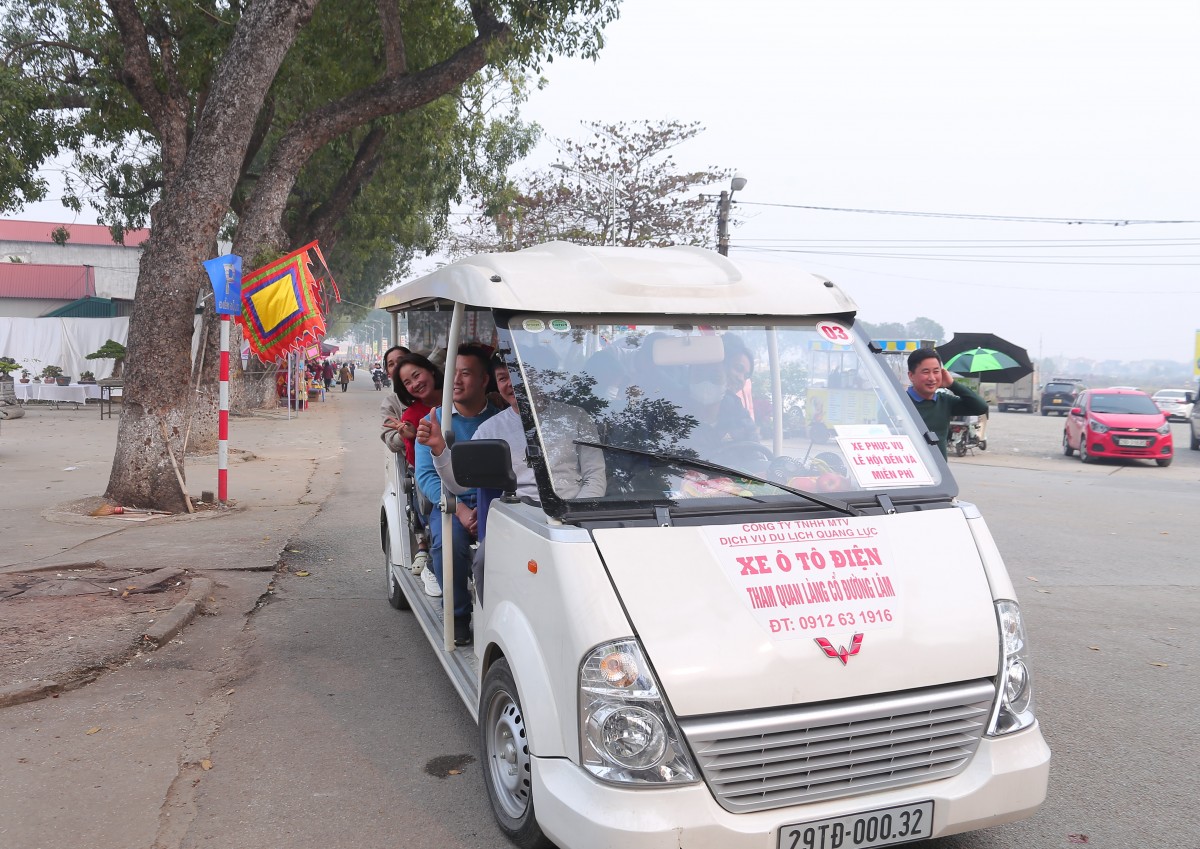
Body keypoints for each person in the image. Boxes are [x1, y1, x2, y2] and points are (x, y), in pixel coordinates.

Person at [413, 344, 500, 645]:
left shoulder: (500, 418)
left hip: (495, 502)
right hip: (449, 504)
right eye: (454, 373)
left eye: (466, 373)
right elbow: (426, 475)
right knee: (450, 543)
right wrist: (461, 509)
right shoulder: (434, 421)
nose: (457, 381)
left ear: (484, 380)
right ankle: (458, 614)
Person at [906, 347, 989, 458]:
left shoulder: (945, 401)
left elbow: (981, 407)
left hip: (939, 472)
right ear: (911, 375)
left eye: (936, 372)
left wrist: (952, 384)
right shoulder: (899, 403)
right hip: (909, 471)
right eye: (926, 372)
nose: (932, 378)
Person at [378, 345, 411, 454]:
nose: (397, 366)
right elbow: (391, 441)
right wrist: (403, 434)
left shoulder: (429, 390)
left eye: (401, 360)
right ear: (388, 372)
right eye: (391, 364)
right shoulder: (390, 403)